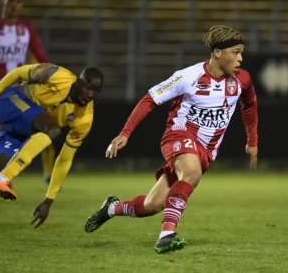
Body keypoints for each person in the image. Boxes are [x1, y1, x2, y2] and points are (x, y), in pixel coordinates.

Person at [83, 25, 258, 254]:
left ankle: (111, 208)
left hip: (207, 150)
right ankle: (166, 235)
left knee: (153, 205)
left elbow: (249, 105)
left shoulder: (242, 80)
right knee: (191, 173)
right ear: (217, 52)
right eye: (235, 52)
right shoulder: (188, 77)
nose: (240, 58)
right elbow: (150, 99)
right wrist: (125, 132)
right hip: (179, 134)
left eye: (241, 52)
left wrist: (252, 141)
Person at [0, 63, 104, 228]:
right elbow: (19, 72)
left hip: (24, 128)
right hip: (13, 101)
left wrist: (49, 200)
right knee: (52, 130)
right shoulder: (57, 74)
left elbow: (64, 160)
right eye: (88, 88)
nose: (90, 95)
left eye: (96, 92)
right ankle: (4, 178)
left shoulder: (85, 119)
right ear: (78, 82)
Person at [0, 0, 56, 194]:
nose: (14, 5)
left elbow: (41, 58)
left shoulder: (26, 29)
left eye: (18, 1)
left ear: (22, 5)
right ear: (3, 2)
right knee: (10, 132)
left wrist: (50, 78)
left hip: (20, 92)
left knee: (18, 132)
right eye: (10, 1)